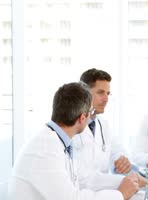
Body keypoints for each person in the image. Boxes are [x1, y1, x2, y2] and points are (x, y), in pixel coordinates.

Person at [8, 82, 139, 200]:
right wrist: (120, 194)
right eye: (90, 112)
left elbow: (84, 180)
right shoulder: (46, 147)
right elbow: (72, 198)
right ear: (82, 118)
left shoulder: (60, 142)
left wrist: (124, 183)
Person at [72, 68, 144, 191]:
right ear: (84, 93)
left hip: (104, 193)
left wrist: (121, 160)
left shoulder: (103, 125)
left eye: (108, 93)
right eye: (100, 92)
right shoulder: (71, 125)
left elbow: (117, 150)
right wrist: (125, 180)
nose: (106, 99)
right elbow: (81, 177)